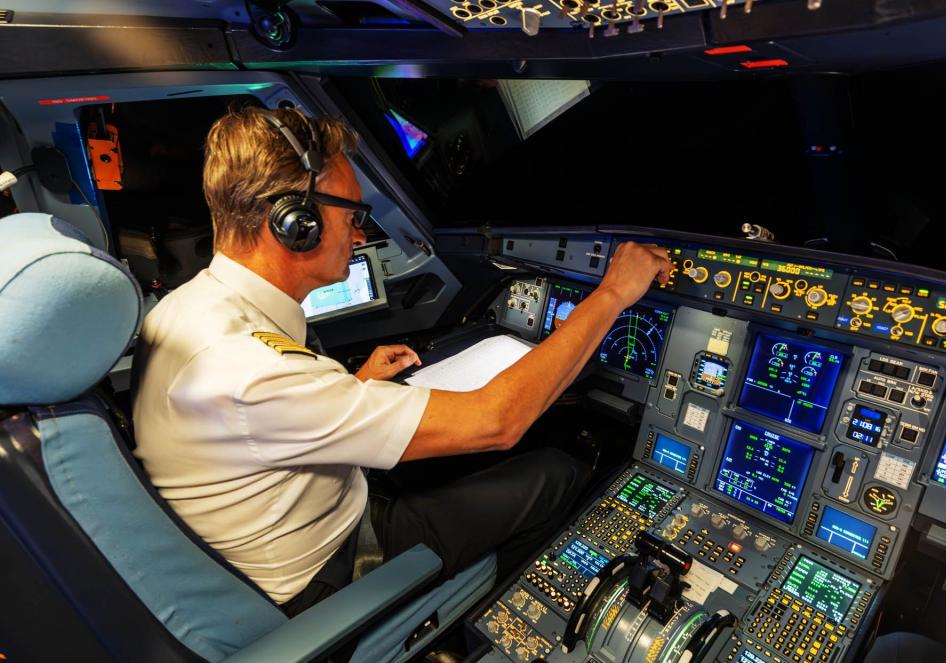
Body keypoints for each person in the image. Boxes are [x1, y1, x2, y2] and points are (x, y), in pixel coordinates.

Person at [131, 105, 673, 615]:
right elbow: (499, 422)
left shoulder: (190, 307)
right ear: (295, 223)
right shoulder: (250, 368)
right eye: (353, 213)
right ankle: (490, 620)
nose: (361, 233)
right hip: (327, 569)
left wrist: (355, 386)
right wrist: (611, 296)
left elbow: (263, 421)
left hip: (280, 527)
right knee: (555, 471)